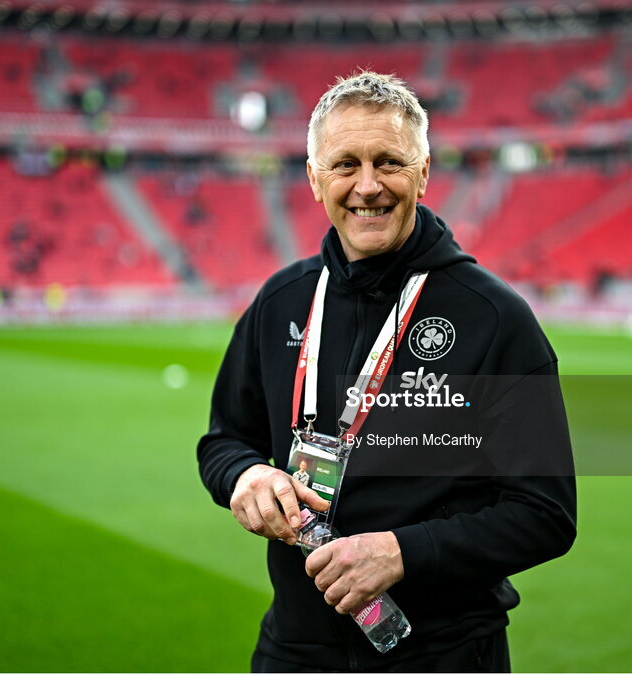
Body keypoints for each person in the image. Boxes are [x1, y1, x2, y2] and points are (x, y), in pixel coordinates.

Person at [197, 71, 576, 672]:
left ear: (424, 172)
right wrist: (243, 477)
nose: (367, 187)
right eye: (345, 164)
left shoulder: (494, 318)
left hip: (443, 653)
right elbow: (224, 440)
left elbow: (545, 514)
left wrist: (404, 552)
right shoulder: (280, 302)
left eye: (389, 163)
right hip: (295, 648)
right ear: (314, 177)